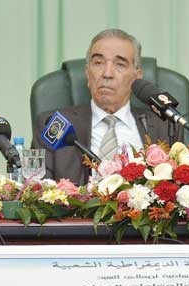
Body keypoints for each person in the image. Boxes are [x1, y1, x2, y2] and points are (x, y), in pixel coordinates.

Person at [32, 28, 173, 185]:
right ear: (87, 73)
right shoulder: (53, 125)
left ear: (137, 77)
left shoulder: (165, 126)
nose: (107, 73)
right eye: (98, 63)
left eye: (120, 64)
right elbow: (38, 190)